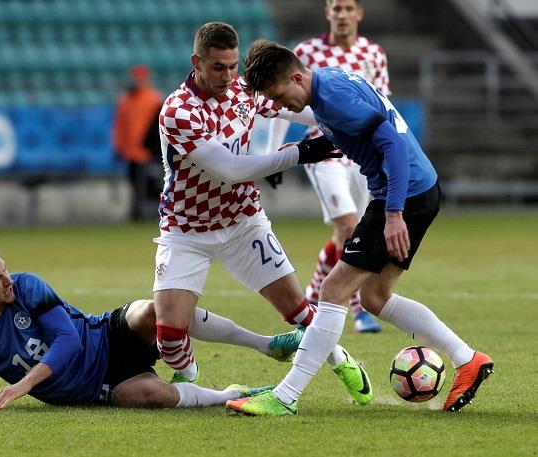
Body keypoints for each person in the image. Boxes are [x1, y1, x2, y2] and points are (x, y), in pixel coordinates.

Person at [227, 40, 494, 415]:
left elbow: (392, 144)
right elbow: (349, 131)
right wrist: (298, 145)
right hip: (418, 188)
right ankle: (467, 359)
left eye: (280, 96)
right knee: (374, 297)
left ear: (296, 77)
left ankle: (285, 397)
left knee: (333, 290)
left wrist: (394, 213)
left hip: (402, 195)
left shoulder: (332, 98)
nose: (280, 104)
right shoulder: (327, 84)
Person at [153, 21, 373, 406]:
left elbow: (296, 110)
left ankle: (340, 359)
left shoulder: (242, 90)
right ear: (196, 62)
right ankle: (191, 373)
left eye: (232, 66)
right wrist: (298, 154)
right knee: (169, 336)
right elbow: (229, 169)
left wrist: (343, 120)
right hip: (186, 229)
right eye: (218, 67)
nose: (227, 76)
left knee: (299, 311)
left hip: (244, 222)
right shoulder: (179, 111)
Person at [0, 241, 305, 412]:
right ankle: (231, 394)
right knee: (152, 396)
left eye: (5, 270)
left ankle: (265, 344)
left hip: (102, 335)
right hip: (97, 386)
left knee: (153, 310)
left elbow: (68, 340)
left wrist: (24, 384)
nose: (8, 281)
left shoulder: (26, 286)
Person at [266, 0, 388, 333]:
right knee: (348, 227)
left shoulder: (374, 54)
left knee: (351, 232)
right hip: (324, 151)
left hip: (361, 155)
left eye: (348, 8)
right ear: (327, 13)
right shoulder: (306, 51)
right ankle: (358, 306)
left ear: (359, 13)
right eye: (336, 8)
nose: (342, 15)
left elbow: (381, 102)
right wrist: (272, 154)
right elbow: (281, 103)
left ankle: (313, 293)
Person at [112, 64, 164, 220]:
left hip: (148, 152)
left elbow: (158, 127)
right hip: (131, 152)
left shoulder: (154, 99)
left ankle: (150, 212)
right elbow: (120, 125)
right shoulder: (126, 100)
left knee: (151, 184)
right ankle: (139, 211)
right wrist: (119, 146)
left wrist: (154, 148)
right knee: (135, 184)